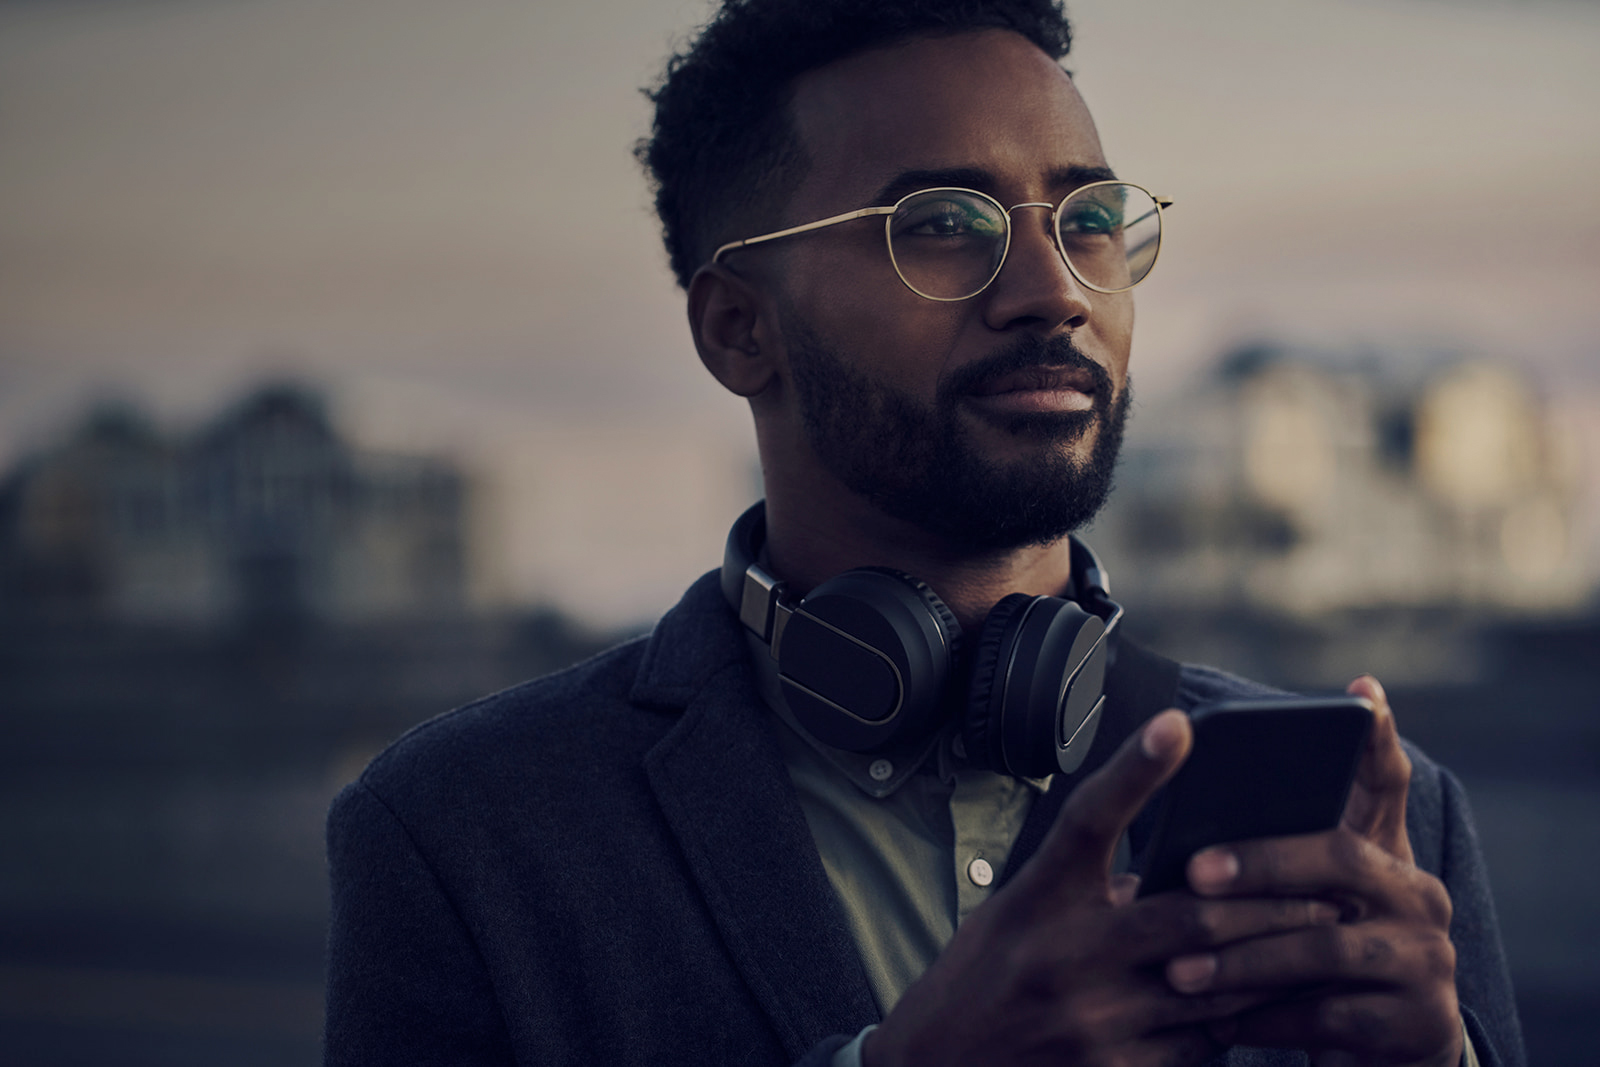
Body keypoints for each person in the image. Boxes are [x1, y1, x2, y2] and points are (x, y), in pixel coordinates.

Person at [323, 2, 1524, 1065]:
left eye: (1089, 217)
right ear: (741, 329)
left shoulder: (1386, 824)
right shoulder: (463, 830)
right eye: (944, 224)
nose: (1055, 288)